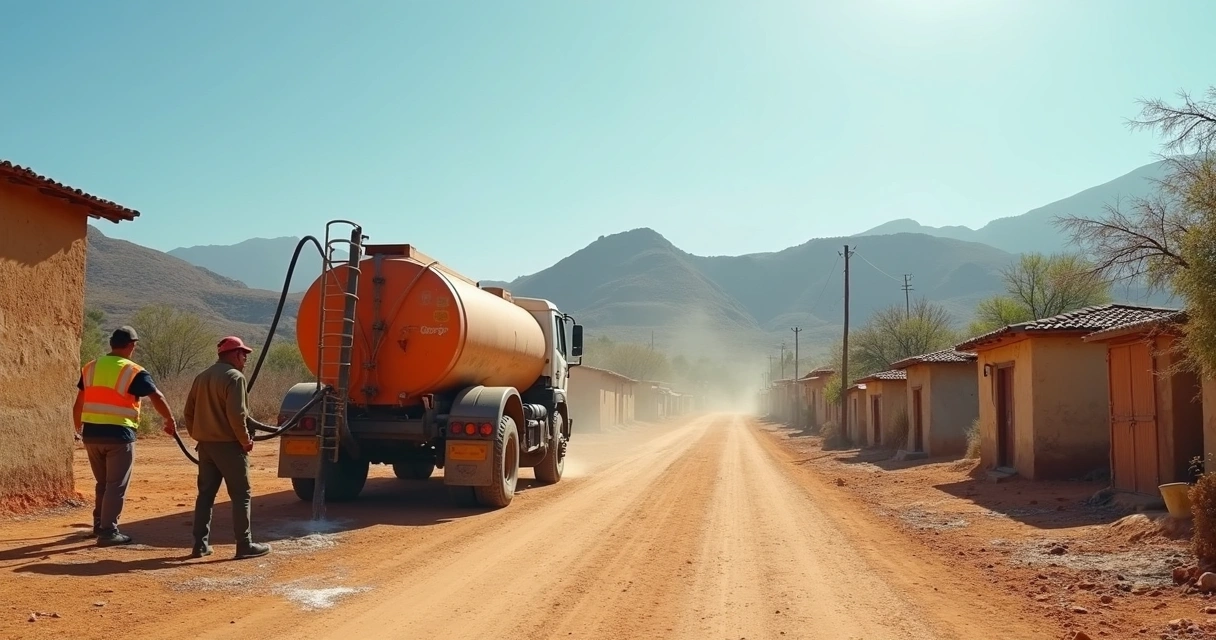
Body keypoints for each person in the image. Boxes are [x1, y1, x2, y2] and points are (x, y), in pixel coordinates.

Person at [74, 326, 177, 546]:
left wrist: (77, 428)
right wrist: (169, 419)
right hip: (119, 434)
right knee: (115, 485)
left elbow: (79, 401)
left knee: (103, 483)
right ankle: (108, 532)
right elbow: (155, 396)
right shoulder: (133, 370)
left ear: (111, 344)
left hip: (91, 435)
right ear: (131, 345)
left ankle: (99, 524)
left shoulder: (90, 367)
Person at [182, 336, 274, 559]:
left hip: (205, 447)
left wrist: (200, 435)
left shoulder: (202, 377)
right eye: (244, 354)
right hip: (229, 447)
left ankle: (200, 545)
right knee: (241, 495)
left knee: (205, 496)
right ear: (234, 355)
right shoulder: (235, 377)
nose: (245, 359)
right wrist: (244, 440)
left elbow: (188, 412)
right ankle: (244, 545)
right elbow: (237, 414)